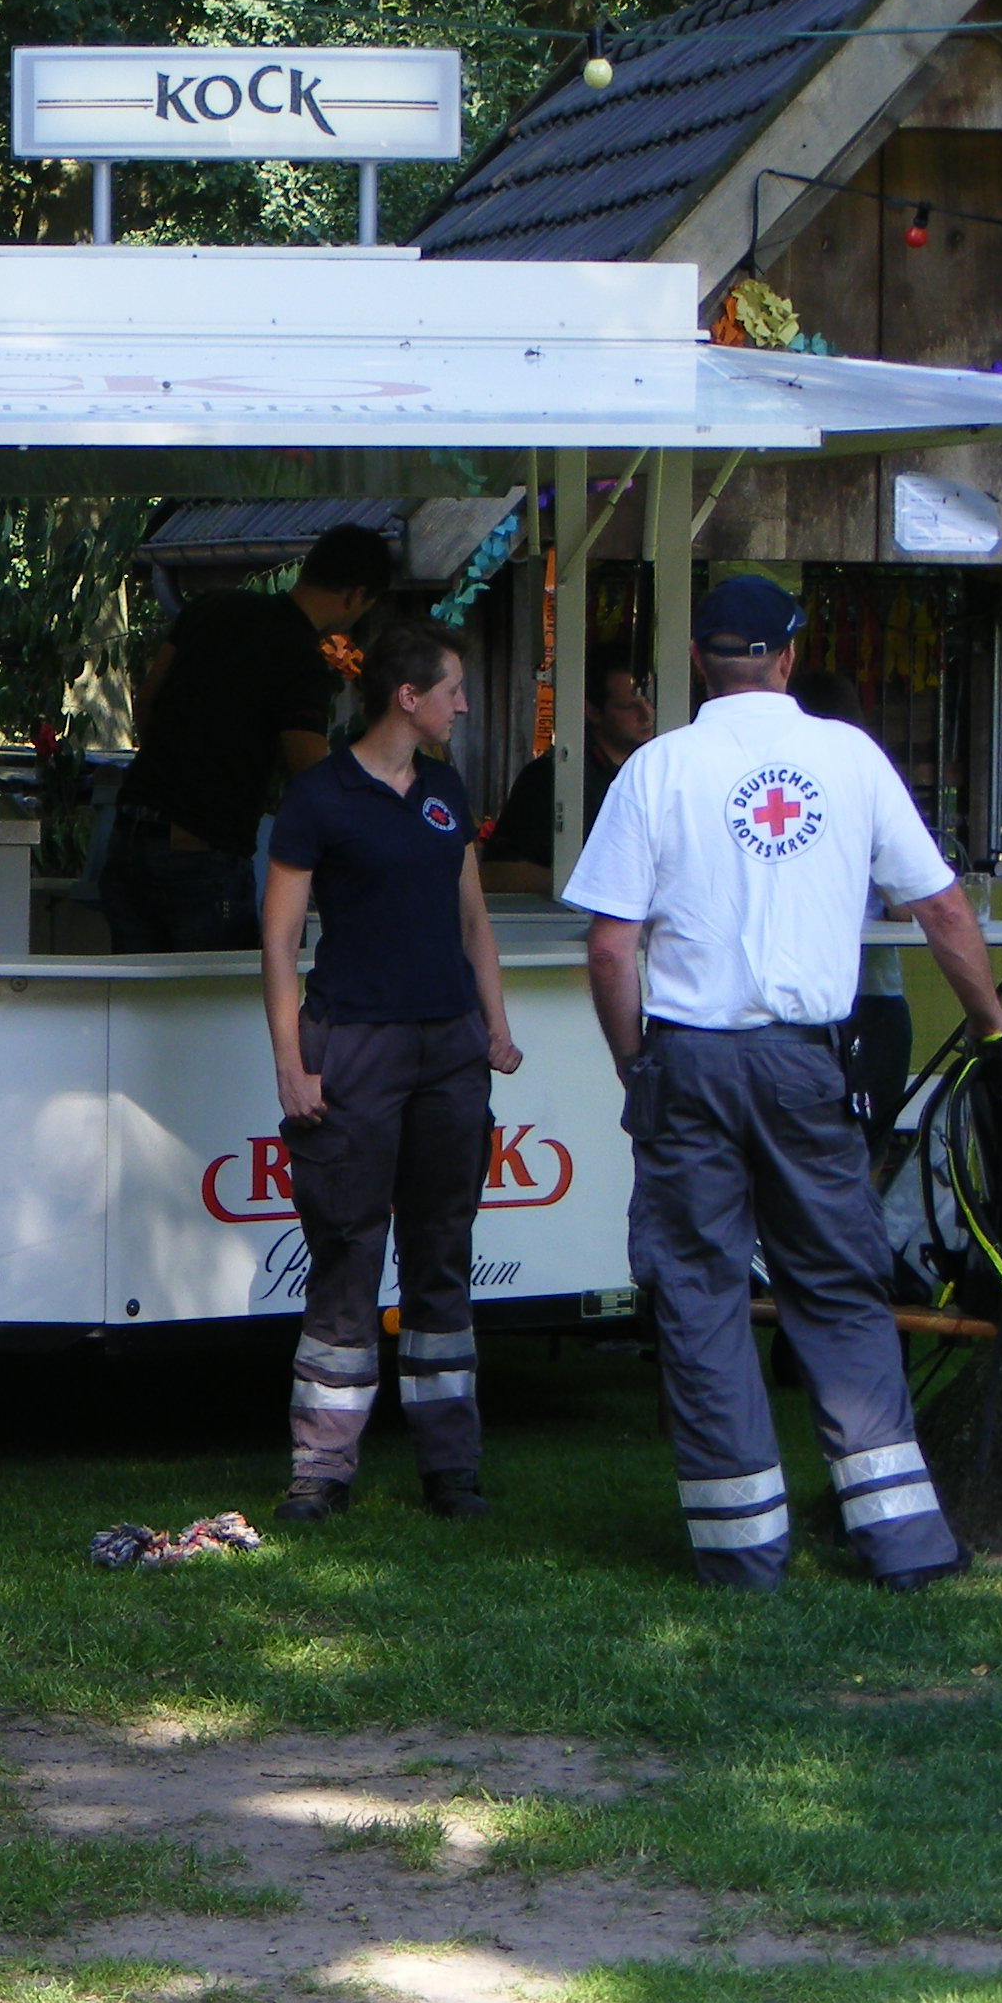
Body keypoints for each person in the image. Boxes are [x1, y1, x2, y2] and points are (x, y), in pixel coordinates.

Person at [564, 577, 1002, 1593]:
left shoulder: (656, 767)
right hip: (809, 1060)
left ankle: (741, 1551)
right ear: (787, 656)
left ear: (698, 662)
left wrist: (637, 1062)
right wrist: (994, 1021)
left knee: (700, 1290)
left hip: (688, 1058)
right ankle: (902, 1540)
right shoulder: (850, 758)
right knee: (839, 1286)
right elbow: (942, 909)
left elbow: (608, 947)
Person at [258, 619, 522, 1525]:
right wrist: (291, 1063)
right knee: (347, 1249)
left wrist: (494, 1025)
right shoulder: (318, 796)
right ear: (407, 698)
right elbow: (279, 941)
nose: (463, 704)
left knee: (442, 1248)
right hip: (354, 1044)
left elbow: (474, 920)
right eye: (452, 689)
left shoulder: (445, 788)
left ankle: (452, 1469)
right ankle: (321, 1471)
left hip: (449, 1048)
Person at [103, 524, 392, 951]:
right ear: (356, 595)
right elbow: (309, 773)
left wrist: (172, 764)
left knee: (135, 987)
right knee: (220, 989)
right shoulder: (302, 658)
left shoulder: (210, 607)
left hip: (129, 836)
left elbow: (147, 699)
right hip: (203, 854)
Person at [792, 669, 916, 1140]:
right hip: (862, 996)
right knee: (864, 1148)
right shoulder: (866, 784)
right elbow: (905, 908)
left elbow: (904, 908)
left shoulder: (781, 796)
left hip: (814, 1000)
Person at [479, 643, 655, 892]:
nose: (646, 714)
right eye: (629, 706)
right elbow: (495, 874)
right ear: (592, 711)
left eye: (648, 700)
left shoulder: (661, 772)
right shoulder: (552, 778)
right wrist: (584, 886)